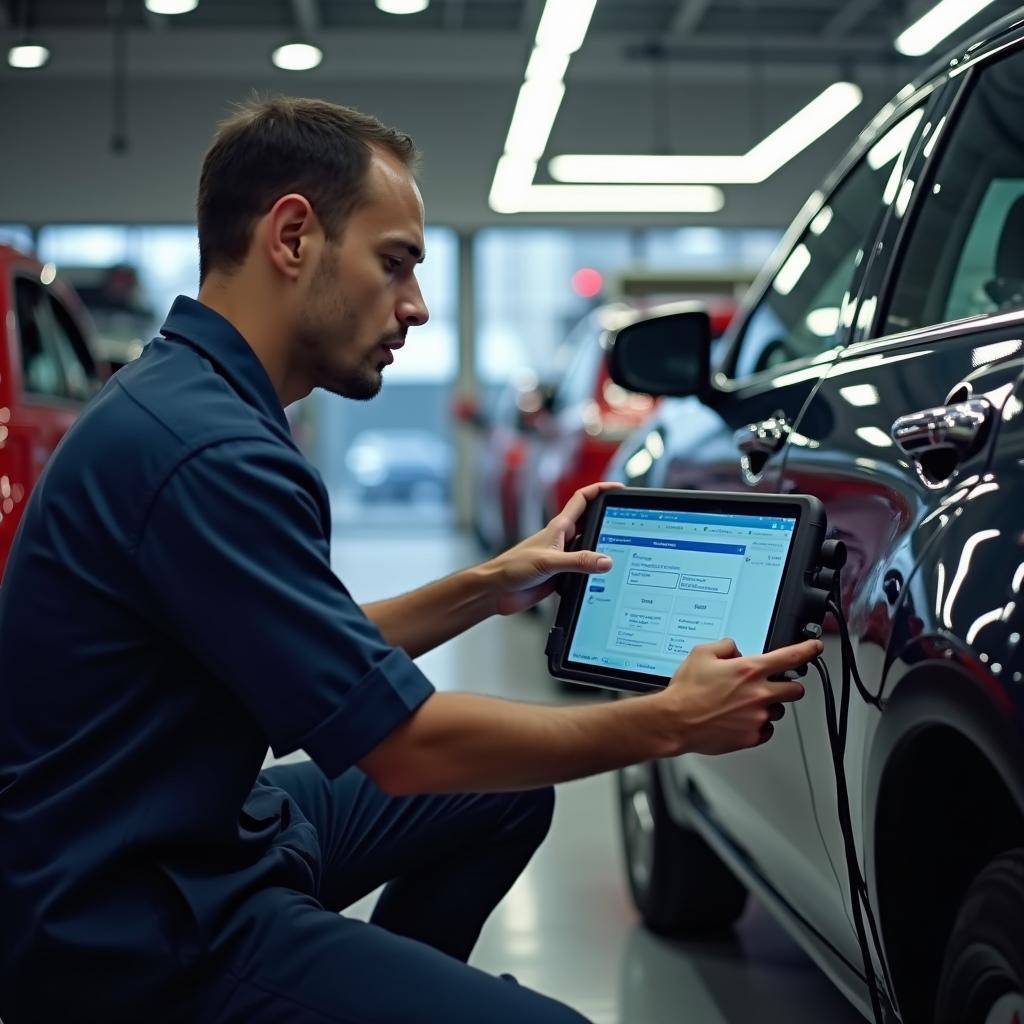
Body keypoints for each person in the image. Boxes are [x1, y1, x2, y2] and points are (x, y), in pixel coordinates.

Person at [0, 97, 819, 1024]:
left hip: (203, 832)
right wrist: (669, 721)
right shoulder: (211, 454)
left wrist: (488, 584)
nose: (418, 307)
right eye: (395, 265)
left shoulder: (186, 399)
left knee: (503, 800)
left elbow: (306, 658)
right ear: (294, 236)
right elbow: (403, 747)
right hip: (134, 922)